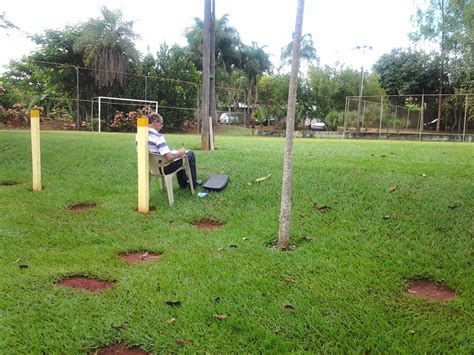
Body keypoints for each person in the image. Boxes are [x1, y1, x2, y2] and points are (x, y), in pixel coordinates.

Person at [147, 112, 202, 189]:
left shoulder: (141, 135)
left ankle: (184, 184)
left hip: (151, 167)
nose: (162, 127)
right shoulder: (158, 137)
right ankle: (193, 184)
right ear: (156, 122)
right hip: (164, 168)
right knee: (190, 155)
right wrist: (180, 153)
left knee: (179, 156)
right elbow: (169, 157)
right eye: (161, 124)